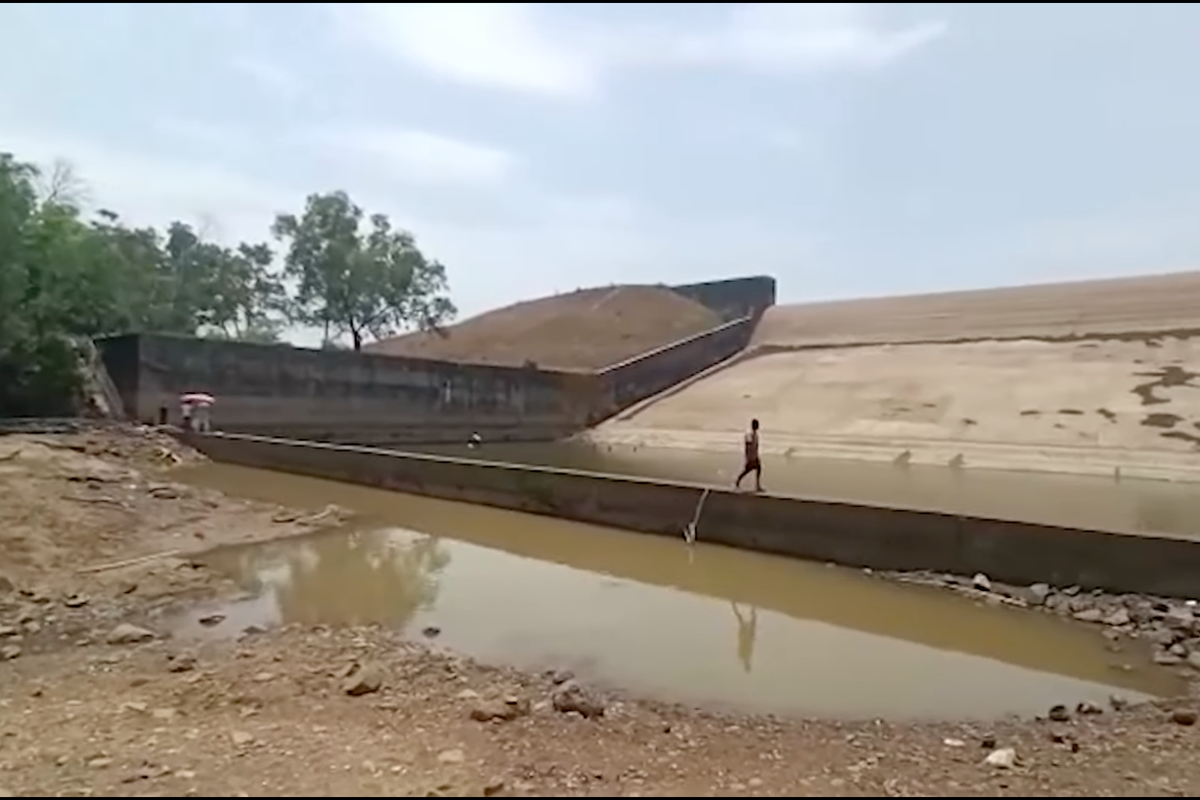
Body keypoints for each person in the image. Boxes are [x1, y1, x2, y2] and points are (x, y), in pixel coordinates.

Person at [734, 418, 762, 492]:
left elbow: (756, 446)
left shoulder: (756, 434)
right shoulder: (750, 434)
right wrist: (748, 457)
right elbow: (748, 446)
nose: (757, 426)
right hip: (751, 456)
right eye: (756, 424)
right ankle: (738, 481)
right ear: (753, 425)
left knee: (758, 468)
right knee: (748, 470)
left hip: (754, 455)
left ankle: (757, 485)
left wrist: (756, 455)